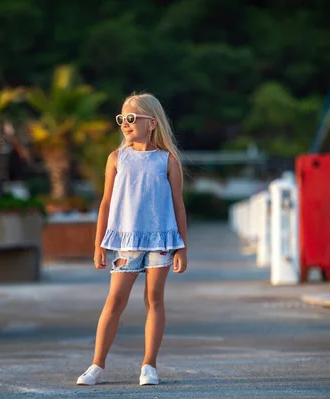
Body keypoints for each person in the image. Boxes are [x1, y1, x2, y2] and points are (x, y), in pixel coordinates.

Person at [76, 93, 188, 386]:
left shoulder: (167, 161)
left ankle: (149, 365)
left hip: (161, 240)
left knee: (154, 299)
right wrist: (99, 243)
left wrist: (182, 248)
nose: (125, 124)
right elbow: (105, 203)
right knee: (114, 300)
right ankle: (96, 365)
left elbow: (178, 204)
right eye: (121, 119)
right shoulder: (117, 158)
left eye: (131, 118)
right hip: (126, 242)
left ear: (151, 123)